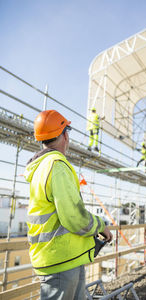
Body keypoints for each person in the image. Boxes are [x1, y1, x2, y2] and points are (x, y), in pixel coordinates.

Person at [24, 110, 112, 300]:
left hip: (63, 257)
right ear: (65, 135)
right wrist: (101, 226)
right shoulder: (57, 166)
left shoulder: (42, 166)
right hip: (60, 259)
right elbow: (74, 217)